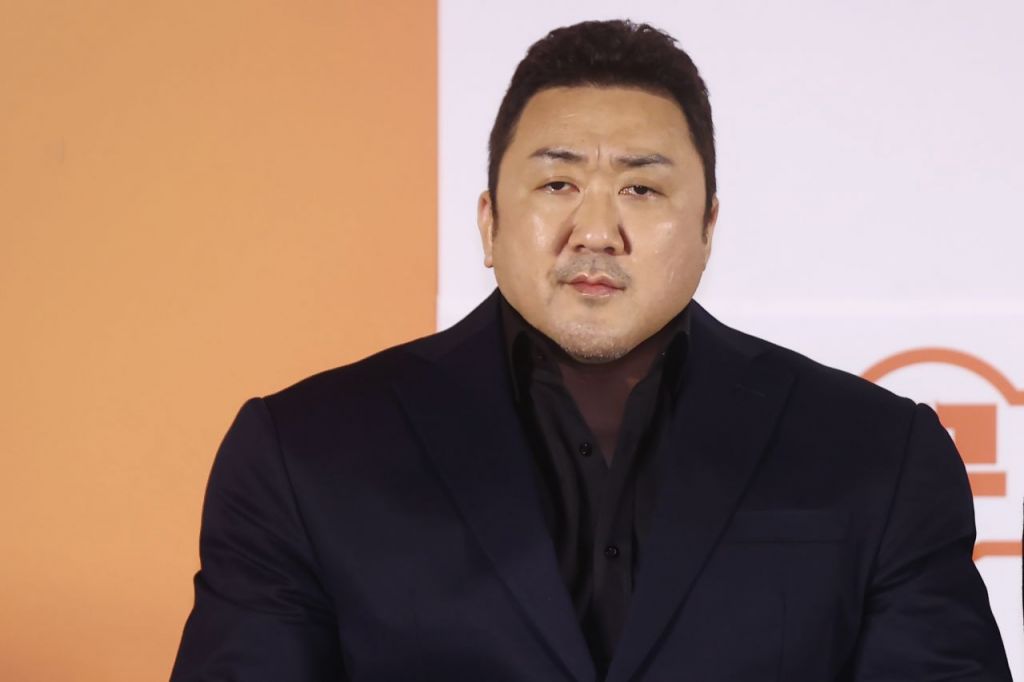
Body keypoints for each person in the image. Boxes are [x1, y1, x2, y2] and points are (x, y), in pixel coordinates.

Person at [170, 19, 1011, 681]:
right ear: (489, 223)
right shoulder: (303, 452)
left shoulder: (878, 452)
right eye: (558, 183)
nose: (597, 230)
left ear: (709, 227)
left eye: (642, 187)